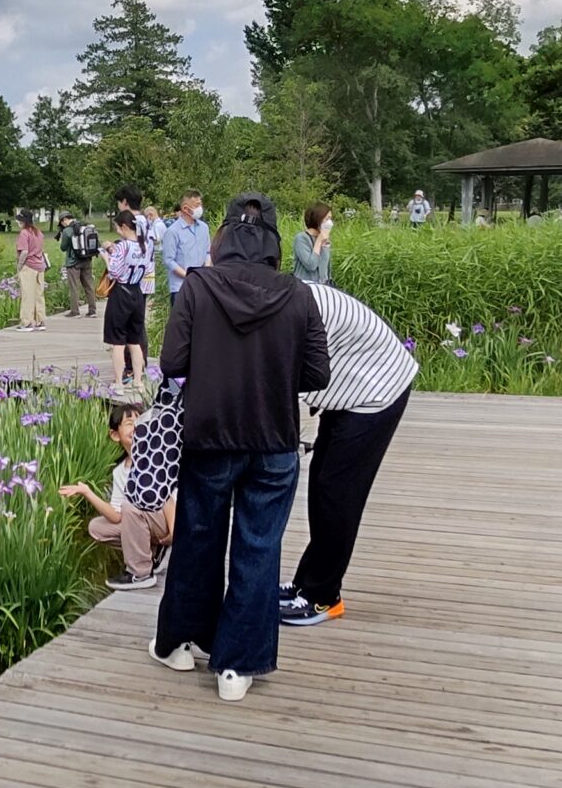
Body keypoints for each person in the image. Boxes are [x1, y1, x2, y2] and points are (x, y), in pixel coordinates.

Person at [152, 194, 328, 702]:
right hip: (273, 440)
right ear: (274, 242)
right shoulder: (298, 294)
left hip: (209, 435)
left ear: (224, 237)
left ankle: (181, 644)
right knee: (259, 547)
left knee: (198, 539)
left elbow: (172, 362)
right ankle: (236, 667)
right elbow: (318, 373)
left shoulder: (198, 288)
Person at [277, 284, 417, 627]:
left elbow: (280, 382)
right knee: (323, 483)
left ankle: (324, 596)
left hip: (377, 391)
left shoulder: (292, 314)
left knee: (338, 495)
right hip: (352, 389)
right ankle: (306, 582)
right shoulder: (284, 300)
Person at [58, 392, 183, 591]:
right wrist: (88, 492)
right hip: (145, 519)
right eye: (129, 423)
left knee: (132, 505)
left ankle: (140, 573)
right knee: (98, 527)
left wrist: (174, 532)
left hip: (172, 519)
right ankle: (153, 552)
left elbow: (169, 498)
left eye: (139, 421)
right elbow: (116, 517)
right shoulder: (120, 471)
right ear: (115, 435)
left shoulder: (156, 457)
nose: (136, 426)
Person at [101, 210, 152, 394]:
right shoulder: (145, 245)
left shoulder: (123, 246)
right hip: (137, 291)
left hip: (121, 292)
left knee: (118, 341)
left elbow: (114, 271)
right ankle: (138, 381)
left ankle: (118, 383)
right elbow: (147, 268)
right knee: (135, 339)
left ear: (123, 226)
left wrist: (106, 256)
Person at [161, 191, 211, 299]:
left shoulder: (204, 228)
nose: (200, 208)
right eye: (197, 205)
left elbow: (208, 252)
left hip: (202, 285)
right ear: (185, 209)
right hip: (180, 288)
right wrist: (187, 276)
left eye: (200, 204)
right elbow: (169, 260)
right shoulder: (172, 231)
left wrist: (206, 270)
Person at [57, 210, 100, 317]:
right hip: (87, 260)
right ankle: (92, 310)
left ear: (65, 220)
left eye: (62, 222)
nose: (62, 225)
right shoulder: (85, 227)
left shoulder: (67, 231)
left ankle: (75, 311)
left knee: (74, 287)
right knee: (89, 286)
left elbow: (63, 248)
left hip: (73, 262)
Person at [13, 209, 49, 331]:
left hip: (29, 266)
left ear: (23, 221)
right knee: (39, 294)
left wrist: (19, 266)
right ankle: (40, 321)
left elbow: (24, 252)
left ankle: (26, 322)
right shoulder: (38, 232)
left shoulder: (24, 233)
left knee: (27, 295)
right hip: (40, 266)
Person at [293, 203, 333, 285]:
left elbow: (324, 267)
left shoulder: (324, 238)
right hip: (305, 288)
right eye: (327, 219)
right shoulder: (301, 238)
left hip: (321, 288)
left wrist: (324, 242)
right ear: (318, 219)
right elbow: (311, 265)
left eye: (330, 219)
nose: (330, 222)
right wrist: (318, 241)